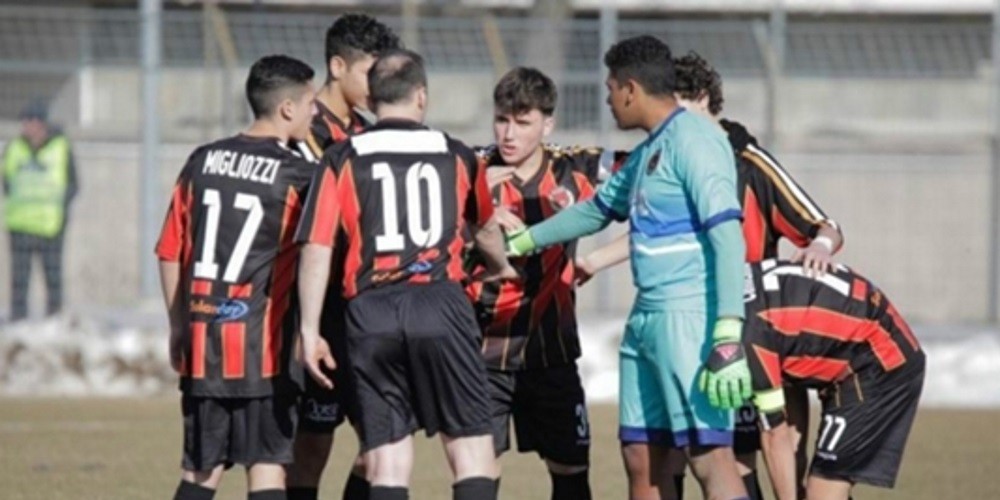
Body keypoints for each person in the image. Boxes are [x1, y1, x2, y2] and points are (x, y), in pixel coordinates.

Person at [578, 51, 848, 499]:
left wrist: (819, 245)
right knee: (676, 458)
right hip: (691, 327)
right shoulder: (668, 149)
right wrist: (591, 261)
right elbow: (655, 232)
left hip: (750, 332)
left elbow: (822, 224)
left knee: (741, 464)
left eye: (680, 101)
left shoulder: (748, 161)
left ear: (703, 98)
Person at [507, 35, 752, 499]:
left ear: (631, 89)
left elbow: (727, 235)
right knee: (642, 455)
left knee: (708, 455)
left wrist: (727, 333)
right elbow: (596, 209)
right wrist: (523, 239)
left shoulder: (697, 140)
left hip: (690, 320)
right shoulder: (646, 153)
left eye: (610, 87)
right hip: (645, 321)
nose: (607, 98)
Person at [294, 49, 515, 500]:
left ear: (372, 99)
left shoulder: (341, 157)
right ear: (421, 96)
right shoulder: (455, 154)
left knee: (387, 458)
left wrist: (310, 329)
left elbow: (316, 246)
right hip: (439, 302)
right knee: (471, 448)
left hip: (369, 310)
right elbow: (486, 227)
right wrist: (501, 266)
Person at [155, 55, 318, 500]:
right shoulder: (299, 176)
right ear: (287, 109)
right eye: (309, 103)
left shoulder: (201, 161)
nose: (315, 112)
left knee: (200, 472)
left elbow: (169, 250)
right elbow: (319, 252)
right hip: (261, 349)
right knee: (267, 471)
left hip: (204, 345)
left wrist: (177, 324)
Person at [466, 67, 625, 500]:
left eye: (523, 122)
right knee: (476, 477)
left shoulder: (578, 169)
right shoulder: (468, 169)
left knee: (572, 473)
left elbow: (662, 188)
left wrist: (596, 260)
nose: (509, 134)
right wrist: (475, 216)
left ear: (547, 123)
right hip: (480, 353)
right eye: (502, 119)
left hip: (550, 351)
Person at [287, 13, 399, 500]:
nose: (378, 86)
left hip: (365, 309)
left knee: (385, 443)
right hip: (316, 310)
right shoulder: (299, 131)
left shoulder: (371, 133)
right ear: (337, 65)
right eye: (368, 73)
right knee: (312, 445)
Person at [741, 259, 924, 500]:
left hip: (882, 362)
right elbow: (788, 397)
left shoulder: (749, 333)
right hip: (861, 352)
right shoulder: (743, 285)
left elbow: (774, 432)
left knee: (822, 492)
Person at [2, 100, 78, 321]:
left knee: (52, 276)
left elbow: (73, 184)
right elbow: (6, 180)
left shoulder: (61, 147)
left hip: (49, 224)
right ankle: (18, 319)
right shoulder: (14, 148)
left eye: (32, 122)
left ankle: (54, 319)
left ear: (42, 123)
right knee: (19, 278)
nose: (28, 127)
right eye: (25, 122)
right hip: (20, 223)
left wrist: (59, 208)